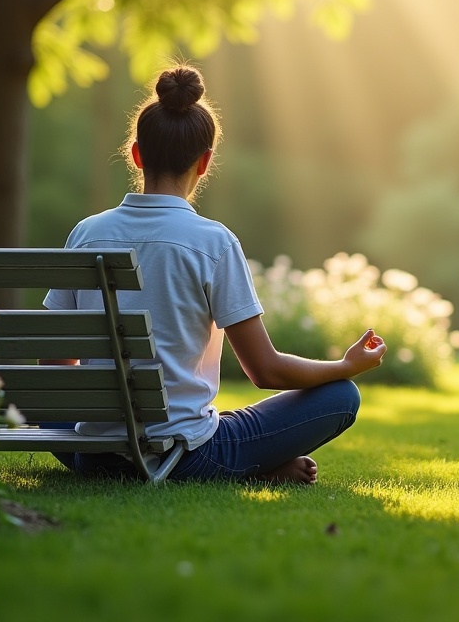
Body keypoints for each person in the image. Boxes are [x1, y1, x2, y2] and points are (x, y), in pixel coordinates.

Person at [42, 65, 386, 483]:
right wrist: (345, 366)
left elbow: (55, 367)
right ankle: (248, 466)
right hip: (183, 457)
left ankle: (243, 461)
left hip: (94, 453)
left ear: (136, 154)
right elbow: (266, 371)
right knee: (340, 396)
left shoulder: (86, 233)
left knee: (50, 405)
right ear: (204, 163)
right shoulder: (213, 243)